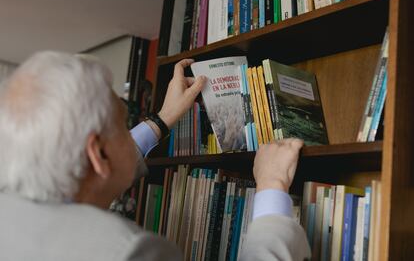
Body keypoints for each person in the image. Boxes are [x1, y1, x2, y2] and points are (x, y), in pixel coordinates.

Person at [0, 51, 310, 261]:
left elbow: (97, 165)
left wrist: (162, 120)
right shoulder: (128, 252)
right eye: (122, 123)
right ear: (98, 154)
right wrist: (271, 187)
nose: (128, 130)